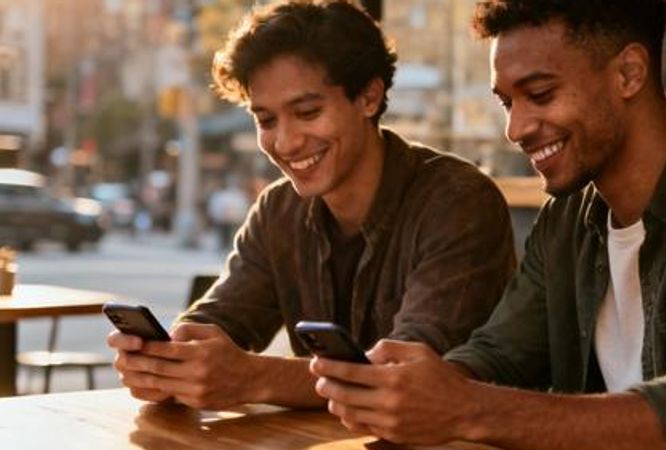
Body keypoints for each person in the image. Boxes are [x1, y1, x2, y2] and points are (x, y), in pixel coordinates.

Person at [311, 1, 666, 448]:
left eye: (540, 94)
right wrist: (415, 387)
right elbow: (500, 354)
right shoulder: (567, 218)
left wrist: (464, 407)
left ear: (629, 73)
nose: (516, 129)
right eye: (507, 103)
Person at [106, 0, 515, 411]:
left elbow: (407, 379)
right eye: (266, 120)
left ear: (369, 96)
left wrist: (251, 378)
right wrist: (170, 361)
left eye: (307, 112)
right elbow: (220, 320)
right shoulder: (278, 210)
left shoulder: (458, 201)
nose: (285, 143)